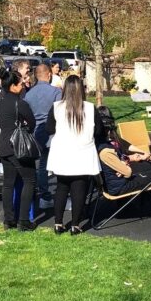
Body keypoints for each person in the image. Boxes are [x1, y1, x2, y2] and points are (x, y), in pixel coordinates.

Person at [95, 106, 151, 210]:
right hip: (120, 185)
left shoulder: (103, 140)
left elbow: (124, 146)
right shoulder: (105, 149)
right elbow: (127, 172)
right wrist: (124, 163)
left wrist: (136, 155)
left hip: (117, 179)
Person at [46, 75, 101, 233]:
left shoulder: (57, 106)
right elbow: (98, 131)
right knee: (79, 188)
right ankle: (75, 225)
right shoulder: (90, 108)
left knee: (62, 187)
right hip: (83, 152)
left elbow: (49, 128)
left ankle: (58, 223)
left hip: (63, 152)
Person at [0, 66, 37, 231]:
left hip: (4, 144)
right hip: (18, 146)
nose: (23, 86)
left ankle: (9, 220)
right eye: (20, 84)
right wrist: (25, 129)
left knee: (8, 183)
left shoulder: (1, 101)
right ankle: (24, 220)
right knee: (30, 180)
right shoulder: (20, 103)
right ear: (13, 86)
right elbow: (32, 122)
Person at [25, 62, 62, 209]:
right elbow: (60, 113)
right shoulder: (55, 92)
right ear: (49, 74)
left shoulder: (29, 94)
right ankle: (61, 195)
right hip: (54, 133)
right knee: (58, 165)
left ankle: (44, 195)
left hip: (36, 133)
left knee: (42, 166)